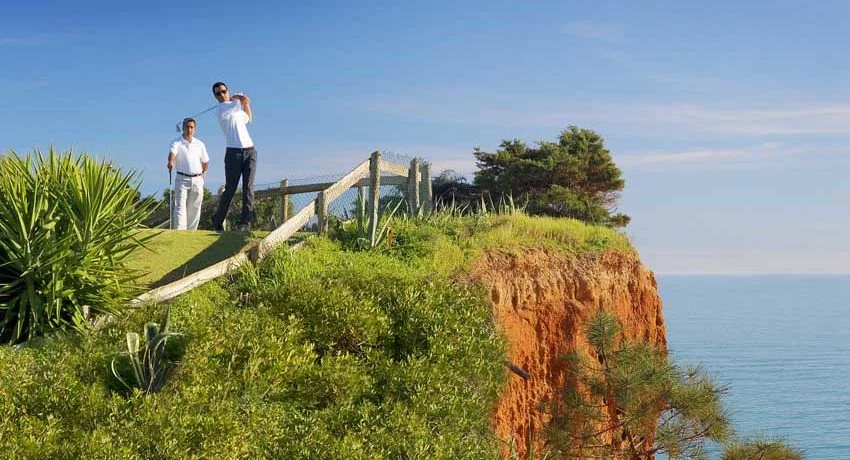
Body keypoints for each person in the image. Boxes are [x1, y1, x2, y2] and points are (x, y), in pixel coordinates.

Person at [210, 81, 256, 232]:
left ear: (227, 91)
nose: (222, 95)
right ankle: (217, 221)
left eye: (224, 91)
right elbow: (240, 101)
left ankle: (245, 223)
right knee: (230, 189)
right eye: (218, 93)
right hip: (233, 153)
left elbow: (248, 118)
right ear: (215, 97)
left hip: (250, 150)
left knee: (248, 187)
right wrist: (241, 98)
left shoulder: (235, 109)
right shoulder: (221, 109)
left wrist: (246, 103)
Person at [167, 117, 209, 230]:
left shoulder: (200, 144)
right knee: (180, 205)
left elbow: (205, 161)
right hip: (182, 178)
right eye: (187, 127)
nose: (189, 129)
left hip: (197, 179)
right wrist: (171, 162)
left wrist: (204, 172)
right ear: (183, 128)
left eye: (191, 127)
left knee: (195, 206)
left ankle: (191, 232)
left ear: (195, 129)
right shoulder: (176, 142)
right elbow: (172, 153)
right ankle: (180, 231)